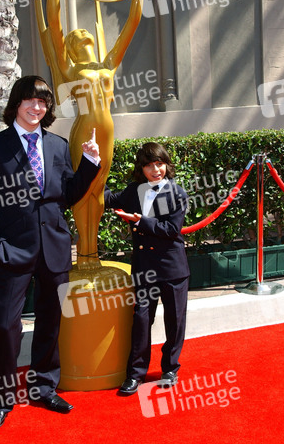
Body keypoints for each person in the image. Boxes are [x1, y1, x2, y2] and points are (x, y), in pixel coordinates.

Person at [0, 75, 100, 431]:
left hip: (54, 249)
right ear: (16, 103)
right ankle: (2, 398)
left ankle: (44, 387)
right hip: (11, 251)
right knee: (6, 326)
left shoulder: (57, 145)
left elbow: (68, 195)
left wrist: (89, 162)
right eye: (30, 99)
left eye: (43, 101)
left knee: (50, 321)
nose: (36, 106)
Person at [36, 0, 143, 267]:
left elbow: (130, 28)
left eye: (85, 33)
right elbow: (55, 24)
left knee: (98, 194)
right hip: (84, 131)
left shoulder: (108, 64)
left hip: (107, 132)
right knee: (83, 191)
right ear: (70, 49)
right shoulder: (70, 69)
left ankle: (91, 254)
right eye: (76, 36)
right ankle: (83, 255)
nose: (83, 33)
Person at [104, 142, 189, 394]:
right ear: (141, 168)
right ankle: (135, 374)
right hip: (144, 269)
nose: (156, 170)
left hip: (172, 268)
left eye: (160, 164)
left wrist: (141, 221)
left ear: (166, 165)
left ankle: (170, 369)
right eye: (150, 165)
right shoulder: (134, 190)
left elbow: (171, 230)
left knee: (175, 321)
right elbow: (108, 199)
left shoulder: (177, 193)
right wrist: (96, 166)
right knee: (141, 320)